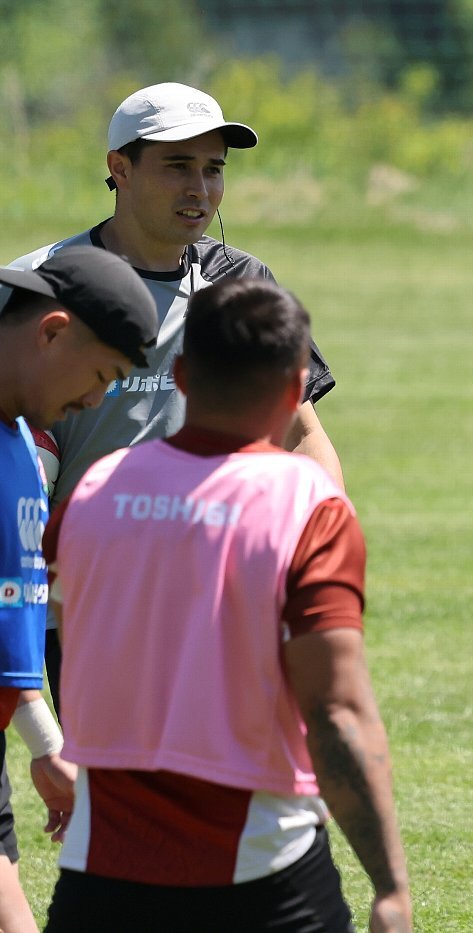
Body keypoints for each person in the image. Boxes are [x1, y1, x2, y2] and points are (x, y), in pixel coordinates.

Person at [40, 277, 410, 931]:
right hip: (262, 872)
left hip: (100, 873)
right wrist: (389, 887)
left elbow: (76, 654)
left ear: (182, 375)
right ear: (297, 389)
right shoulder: (308, 506)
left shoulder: (91, 494)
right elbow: (337, 710)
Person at [7, 81, 343, 721]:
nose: (200, 188)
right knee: (119, 773)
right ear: (119, 168)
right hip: (83, 595)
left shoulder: (241, 285)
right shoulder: (40, 285)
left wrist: (318, 548)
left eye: (213, 169)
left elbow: (300, 433)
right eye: (178, 166)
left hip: (218, 588)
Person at [0, 246, 158, 933]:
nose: (96, 401)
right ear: (53, 331)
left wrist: (43, 742)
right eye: (102, 376)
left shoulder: (20, 442)